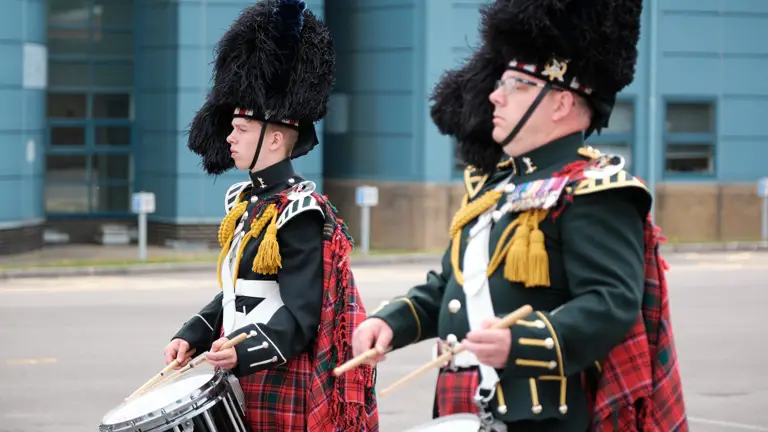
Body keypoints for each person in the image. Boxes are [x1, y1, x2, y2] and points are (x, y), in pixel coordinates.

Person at [352, 0, 688, 431]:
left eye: (516, 84)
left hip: (544, 418)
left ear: (562, 102)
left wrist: (522, 343)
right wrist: (390, 322)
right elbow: (454, 287)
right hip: (463, 404)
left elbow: (611, 303)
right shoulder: (492, 188)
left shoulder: (595, 189)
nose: (496, 94)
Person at [162, 1, 379, 431]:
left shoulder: (299, 211)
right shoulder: (246, 202)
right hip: (243, 375)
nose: (229, 137)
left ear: (276, 139)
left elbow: (302, 316)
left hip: (279, 377)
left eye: (241, 130)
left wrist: (243, 351)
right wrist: (193, 333)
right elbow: (238, 293)